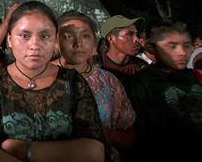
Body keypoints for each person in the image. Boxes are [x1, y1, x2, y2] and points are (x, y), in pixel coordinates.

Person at [0, 1, 106, 161]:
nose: (34, 45)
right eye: (25, 36)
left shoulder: (73, 82)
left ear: (55, 40)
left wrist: (25, 150)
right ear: (10, 40)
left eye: (44, 36)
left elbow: (94, 151)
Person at [56, 10, 136, 161]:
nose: (78, 43)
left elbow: (129, 133)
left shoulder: (108, 81)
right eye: (67, 36)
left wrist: (107, 135)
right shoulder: (39, 77)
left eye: (85, 36)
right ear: (55, 40)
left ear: (94, 40)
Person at [127, 21, 202, 161]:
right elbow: (141, 133)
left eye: (186, 45)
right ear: (151, 48)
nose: (182, 52)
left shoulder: (196, 76)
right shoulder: (140, 82)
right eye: (172, 46)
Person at [93, 15, 148, 86]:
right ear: (111, 38)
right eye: (130, 34)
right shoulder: (92, 65)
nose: (137, 39)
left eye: (136, 35)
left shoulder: (142, 67)